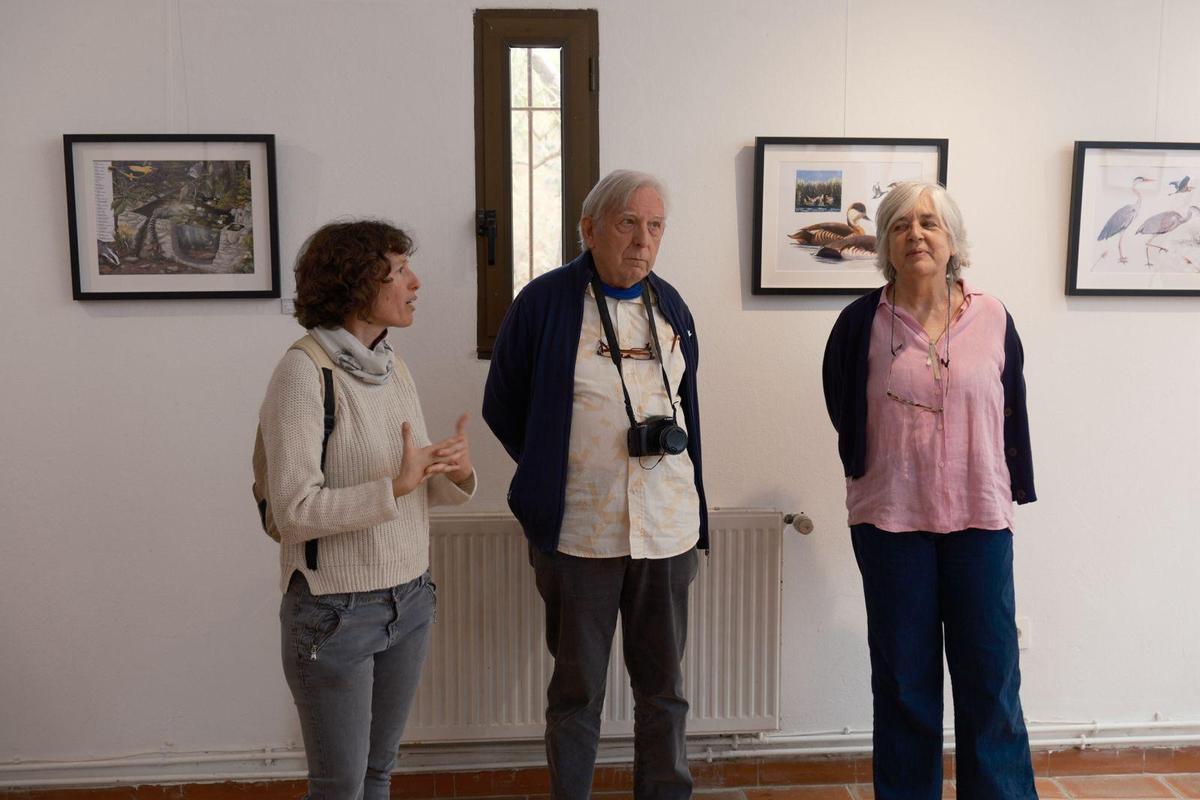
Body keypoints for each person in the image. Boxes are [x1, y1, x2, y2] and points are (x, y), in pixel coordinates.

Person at [483, 170, 706, 800]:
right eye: (628, 223)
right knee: (577, 691)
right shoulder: (545, 302)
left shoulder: (673, 307)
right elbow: (503, 405)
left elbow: (687, 411)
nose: (642, 240)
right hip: (580, 530)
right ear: (590, 228)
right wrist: (552, 469)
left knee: (664, 690)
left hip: (665, 529)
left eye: (655, 226)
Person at [822, 181, 1037, 799]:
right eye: (900, 226)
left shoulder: (994, 317)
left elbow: (1011, 410)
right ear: (885, 244)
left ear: (952, 240)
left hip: (980, 519)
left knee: (991, 683)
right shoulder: (859, 323)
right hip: (890, 524)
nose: (915, 234)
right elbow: (844, 408)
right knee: (904, 687)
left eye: (929, 223)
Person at [258, 220, 476, 799]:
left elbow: (414, 478)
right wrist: (394, 488)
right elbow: (295, 510)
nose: (415, 282)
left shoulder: (392, 365)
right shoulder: (302, 375)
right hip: (335, 613)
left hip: (410, 598)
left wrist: (450, 469)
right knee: (340, 787)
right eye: (400, 269)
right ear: (358, 282)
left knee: (378, 775)